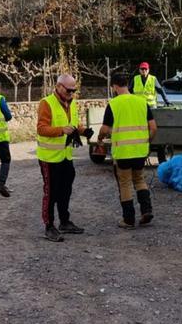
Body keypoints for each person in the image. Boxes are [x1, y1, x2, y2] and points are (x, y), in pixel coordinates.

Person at [36, 74, 93, 242]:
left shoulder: (72, 102)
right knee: (51, 193)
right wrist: (61, 130)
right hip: (49, 158)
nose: (72, 93)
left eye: (74, 90)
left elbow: (73, 124)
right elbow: (41, 128)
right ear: (59, 87)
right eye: (69, 90)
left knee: (65, 190)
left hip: (66, 156)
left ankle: (64, 221)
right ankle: (49, 226)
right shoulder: (46, 103)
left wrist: (83, 131)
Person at [96, 74, 158, 229]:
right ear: (127, 85)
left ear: (114, 87)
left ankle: (129, 220)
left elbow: (105, 129)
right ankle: (146, 211)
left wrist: (100, 138)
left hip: (123, 152)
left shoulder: (114, 104)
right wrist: (147, 142)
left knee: (125, 184)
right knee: (139, 180)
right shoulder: (142, 102)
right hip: (140, 151)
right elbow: (153, 128)